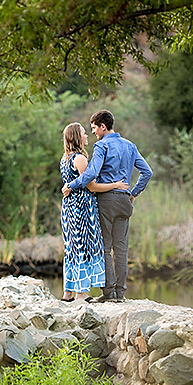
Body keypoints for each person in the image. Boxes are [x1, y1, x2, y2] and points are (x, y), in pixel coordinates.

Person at [62, 109, 152, 302]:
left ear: (103, 126)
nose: (93, 132)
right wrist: (134, 193)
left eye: (94, 128)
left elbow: (91, 174)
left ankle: (108, 293)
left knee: (104, 247)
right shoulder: (130, 145)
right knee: (121, 248)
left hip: (106, 201)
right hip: (124, 201)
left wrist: (71, 184)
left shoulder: (102, 146)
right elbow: (147, 172)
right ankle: (121, 294)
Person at [60, 122, 130, 302]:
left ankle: (68, 292)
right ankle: (81, 294)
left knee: (72, 248)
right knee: (83, 246)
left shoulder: (64, 158)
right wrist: (116, 185)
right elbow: (91, 186)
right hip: (82, 207)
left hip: (69, 206)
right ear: (77, 137)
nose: (87, 136)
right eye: (83, 133)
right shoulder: (80, 159)